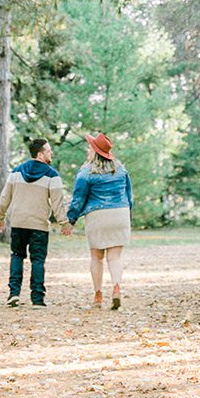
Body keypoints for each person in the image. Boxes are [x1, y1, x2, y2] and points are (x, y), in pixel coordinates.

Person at [0, 137, 71, 307]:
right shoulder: (52, 175)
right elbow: (57, 204)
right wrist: (64, 223)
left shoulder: (16, 172)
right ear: (40, 154)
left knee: (17, 256)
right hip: (39, 225)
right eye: (48, 150)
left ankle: (13, 294)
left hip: (18, 222)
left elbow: (5, 197)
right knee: (37, 260)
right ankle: (37, 299)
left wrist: (0, 217)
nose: (51, 153)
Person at [66, 132, 133, 310]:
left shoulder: (86, 172)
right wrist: (128, 215)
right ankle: (117, 288)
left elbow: (78, 199)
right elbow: (129, 196)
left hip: (98, 215)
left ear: (94, 151)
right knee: (115, 257)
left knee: (97, 257)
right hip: (120, 213)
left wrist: (70, 220)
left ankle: (98, 296)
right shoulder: (120, 169)